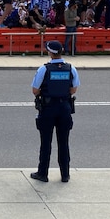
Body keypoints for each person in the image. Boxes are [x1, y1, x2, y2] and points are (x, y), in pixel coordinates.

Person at [30, 40, 79, 183]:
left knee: (46, 142)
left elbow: (35, 90)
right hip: (65, 108)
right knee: (64, 142)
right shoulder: (71, 68)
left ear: (50, 52)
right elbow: (74, 89)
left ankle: (43, 173)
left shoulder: (44, 69)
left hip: (48, 108)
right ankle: (65, 174)